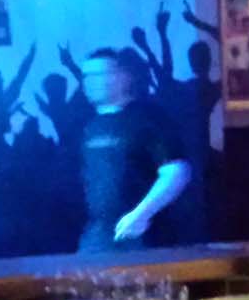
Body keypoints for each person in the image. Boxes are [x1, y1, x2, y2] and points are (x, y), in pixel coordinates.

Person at [77, 49, 192, 253]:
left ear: (123, 77)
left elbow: (177, 171)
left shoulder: (148, 118)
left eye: (98, 74)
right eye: (86, 76)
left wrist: (141, 214)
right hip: (98, 236)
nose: (90, 82)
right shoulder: (89, 126)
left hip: (144, 236)